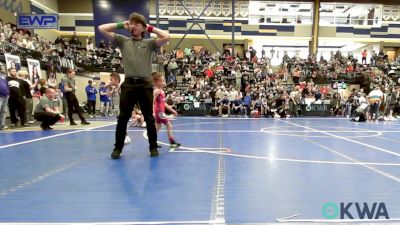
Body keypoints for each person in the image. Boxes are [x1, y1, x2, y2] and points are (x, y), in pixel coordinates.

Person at [99, 12, 170, 159]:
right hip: (129, 84)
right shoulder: (123, 41)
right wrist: (120, 25)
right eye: (131, 24)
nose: (132, 26)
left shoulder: (149, 43)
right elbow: (102, 28)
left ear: (143, 28)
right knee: (123, 118)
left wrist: (150, 28)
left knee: (149, 118)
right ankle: (118, 148)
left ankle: (153, 147)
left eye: (136, 24)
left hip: (144, 85)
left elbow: (166, 37)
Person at [152, 72, 181, 148]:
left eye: (163, 81)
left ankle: (153, 142)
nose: (163, 82)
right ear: (155, 82)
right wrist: (153, 112)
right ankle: (172, 142)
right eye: (160, 81)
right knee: (169, 125)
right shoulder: (157, 91)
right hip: (159, 112)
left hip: (160, 112)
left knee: (157, 128)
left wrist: (172, 110)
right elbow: (152, 102)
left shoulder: (161, 91)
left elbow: (164, 103)